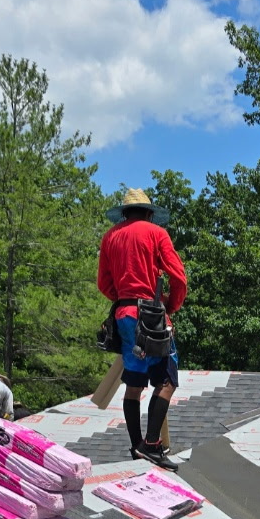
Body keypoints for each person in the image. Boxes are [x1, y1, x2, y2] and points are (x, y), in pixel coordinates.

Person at [97, 187, 187, 472]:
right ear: (149, 213)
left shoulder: (110, 236)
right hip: (152, 315)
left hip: (124, 315)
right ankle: (151, 445)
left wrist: (123, 298)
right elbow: (178, 277)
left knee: (134, 384)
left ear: (124, 214)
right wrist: (170, 307)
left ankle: (136, 445)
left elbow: (104, 284)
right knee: (166, 381)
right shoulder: (156, 233)